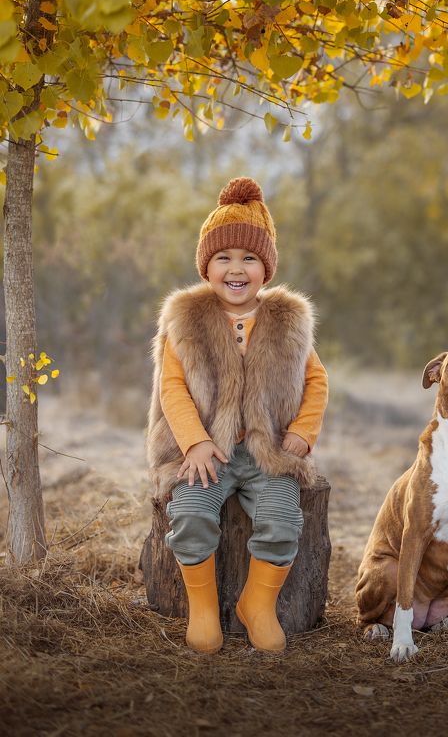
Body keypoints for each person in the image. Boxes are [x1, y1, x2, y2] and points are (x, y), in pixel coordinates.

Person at [146, 177, 328, 654]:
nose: (236, 269)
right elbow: (173, 388)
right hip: (209, 449)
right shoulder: (185, 321)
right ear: (207, 267)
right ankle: (203, 609)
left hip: (266, 449)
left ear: (265, 270)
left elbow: (316, 382)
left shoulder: (288, 322)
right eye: (223, 258)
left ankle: (257, 604)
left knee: (283, 518)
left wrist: (303, 435)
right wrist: (195, 442)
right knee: (189, 513)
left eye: (249, 259)